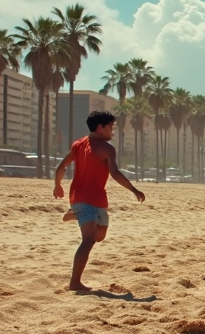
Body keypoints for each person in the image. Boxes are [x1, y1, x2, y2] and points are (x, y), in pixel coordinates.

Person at [53, 111, 146, 291]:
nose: (113, 130)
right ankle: (75, 282)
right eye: (111, 126)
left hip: (99, 200)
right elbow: (115, 173)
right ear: (100, 127)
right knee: (88, 241)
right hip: (82, 198)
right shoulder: (95, 147)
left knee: (99, 236)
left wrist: (58, 185)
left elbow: (61, 167)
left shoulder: (85, 145)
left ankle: (76, 215)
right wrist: (134, 190)